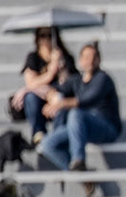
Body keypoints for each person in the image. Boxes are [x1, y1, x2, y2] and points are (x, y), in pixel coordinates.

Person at [40, 42, 120, 172]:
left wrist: (61, 103)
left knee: (75, 113)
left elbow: (88, 100)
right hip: (81, 127)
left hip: (106, 126)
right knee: (47, 144)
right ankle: (80, 175)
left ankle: (78, 159)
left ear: (99, 60)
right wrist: (52, 95)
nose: (91, 61)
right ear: (80, 60)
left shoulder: (103, 79)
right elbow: (57, 89)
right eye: (87, 57)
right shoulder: (76, 80)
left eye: (95, 57)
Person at [9, 27, 77, 146]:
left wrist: (62, 69)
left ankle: (58, 137)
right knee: (30, 97)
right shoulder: (33, 57)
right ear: (37, 39)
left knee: (61, 100)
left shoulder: (66, 57)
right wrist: (50, 73)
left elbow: (72, 84)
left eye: (50, 35)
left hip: (58, 97)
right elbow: (31, 83)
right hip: (39, 98)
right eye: (42, 35)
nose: (46, 39)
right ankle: (38, 133)